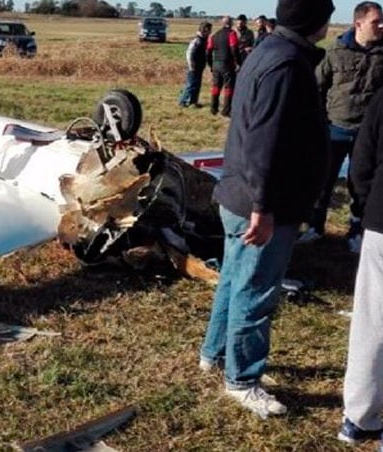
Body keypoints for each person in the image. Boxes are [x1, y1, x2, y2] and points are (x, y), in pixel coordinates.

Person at [199, 0, 333, 418]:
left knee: (234, 280)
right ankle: (242, 380)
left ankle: (214, 354)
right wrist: (264, 206)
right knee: (255, 291)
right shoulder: (287, 64)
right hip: (261, 201)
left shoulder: (270, 51)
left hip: (242, 193)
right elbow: (264, 139)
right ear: (317, 20)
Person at [299, 1, 383, 253]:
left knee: (361, 184)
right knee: (323, 179)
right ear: (358, 23)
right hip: (335, 127)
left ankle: (357, 230)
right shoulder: (335, 51)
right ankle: (315, 226)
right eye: (375, 22)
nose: (381, 26)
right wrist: (318, 122)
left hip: (367, 134)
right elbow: (317, 87)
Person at [338, 83, 383, 449]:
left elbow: (362, 162)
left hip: (380, 224)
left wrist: (368, 206)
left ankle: (358, 416)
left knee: (371, 321)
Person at [206, 16, 239, 117]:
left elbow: (208, 51)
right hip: (227, 64)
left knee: (216, 86)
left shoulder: (214, 35)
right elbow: (234, 49)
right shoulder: (231, 34)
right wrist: (238, 62)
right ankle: (226, 110)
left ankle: (213, 108)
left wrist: (211, 64)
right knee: (228, 87)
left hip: (216, 64)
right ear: (231, 23)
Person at [178, 21, 212, 109]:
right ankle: (183, 101)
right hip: (193, 67)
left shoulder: (204, 40)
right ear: (204, 30)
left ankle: (193, 102)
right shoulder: (197, 40)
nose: (210, 33)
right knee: (190, 84)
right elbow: (189, 53)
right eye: (209, 31)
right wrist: (191, 65)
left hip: (199, 66)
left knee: (197, 85)